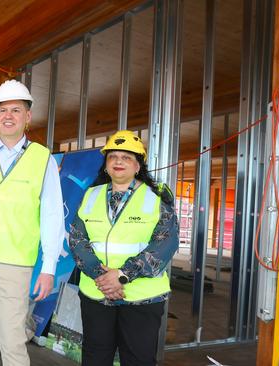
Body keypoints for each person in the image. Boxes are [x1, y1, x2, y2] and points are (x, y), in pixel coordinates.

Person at [0, 79, 65, 366]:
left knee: (13, 341)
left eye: (16, 110)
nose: (8, 116)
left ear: (27, 117)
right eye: (2, 110)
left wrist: (49, 269)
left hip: (15, 264)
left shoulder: (42, 158)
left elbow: (53, 214)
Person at [69, 130, 179, 366]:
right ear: (106, 165)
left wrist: (122, 275)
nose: (118, 161)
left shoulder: (157, 198)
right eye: (113, 157)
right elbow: (77, 239)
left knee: (137, 360)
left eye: (127, 157)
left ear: (138, 165)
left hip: (142, 298)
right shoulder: (90, 195)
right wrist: (102, 276)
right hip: (97, 294)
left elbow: (166, 244)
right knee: (94, 357)